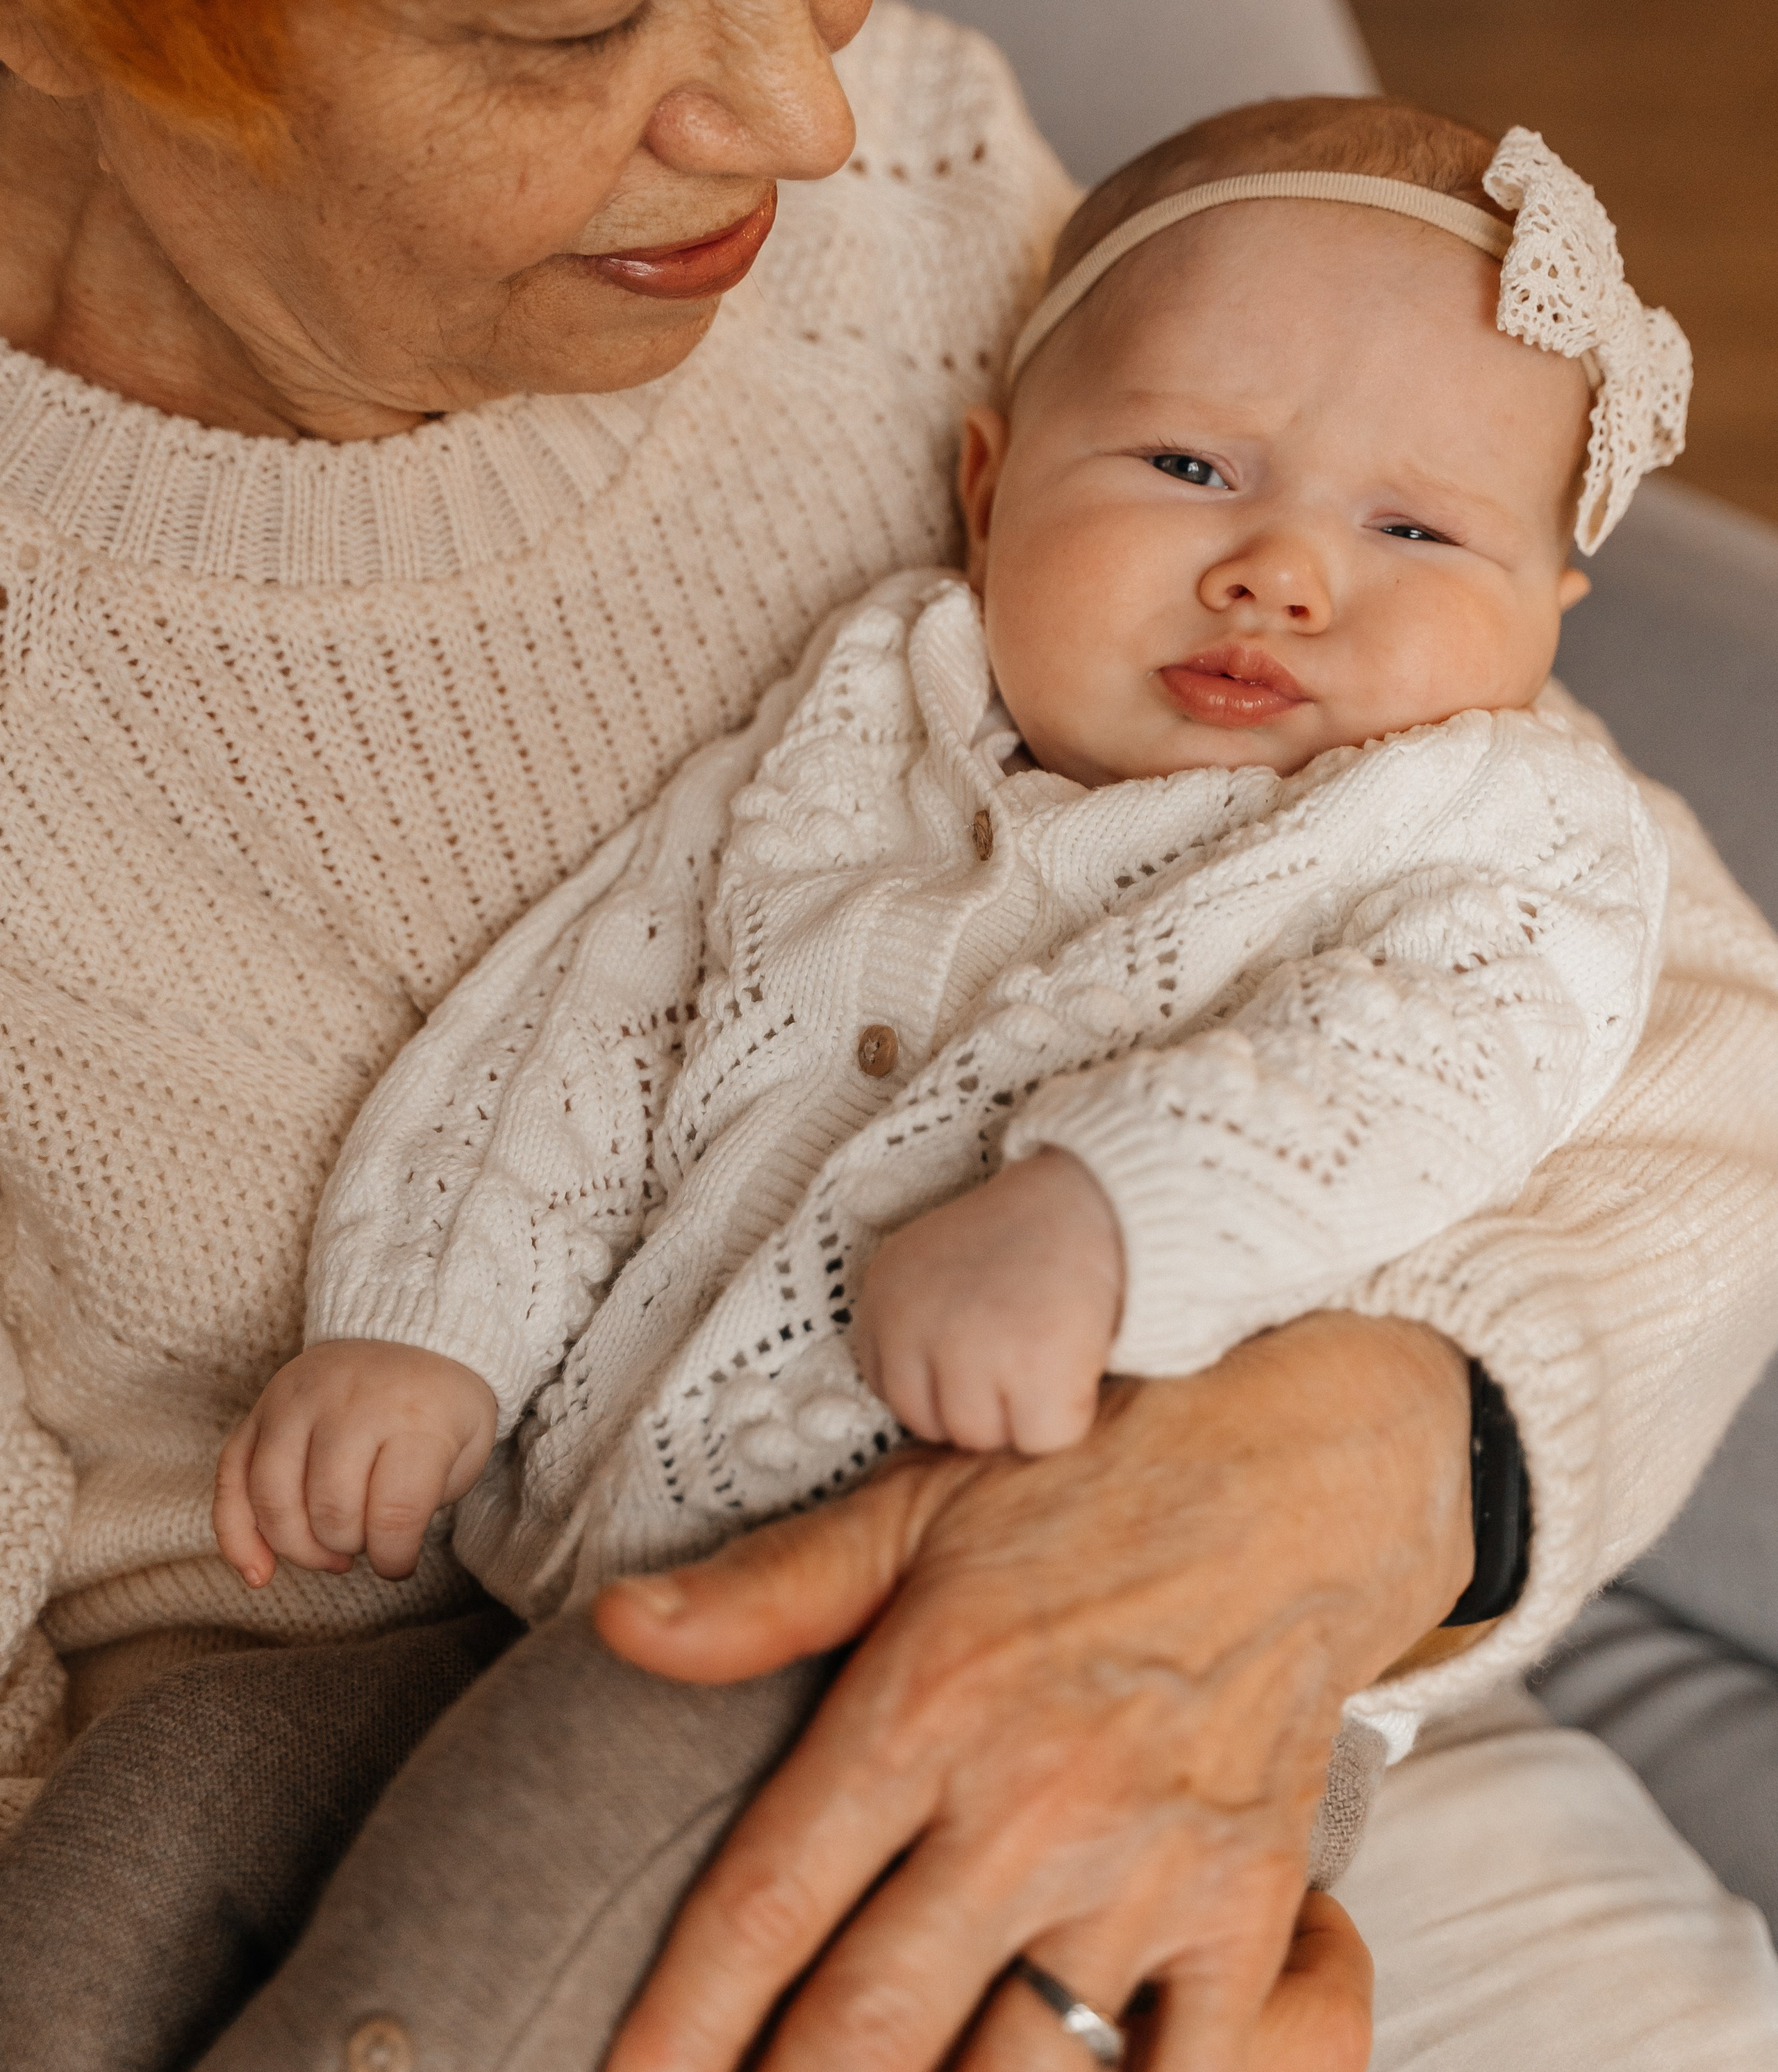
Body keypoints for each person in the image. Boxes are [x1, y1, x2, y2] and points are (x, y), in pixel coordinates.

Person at [2, 0, 1778, 2072]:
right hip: (357, 1850)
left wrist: (1365, 1465)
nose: (800, 112)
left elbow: (1629, 997)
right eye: (578, 14)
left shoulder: (927, 213)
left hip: (1221, 1667)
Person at [212, 97, 1670, 1621]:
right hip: (543, 1578)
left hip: (1025, 1622)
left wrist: (1107, 1213)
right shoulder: (863, 721)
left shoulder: (1489, 825)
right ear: (988, 489)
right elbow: (601, 1013)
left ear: (1543, 617)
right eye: (1185, 467)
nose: (1280, 575)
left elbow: (1433, 1067)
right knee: (170, 1786)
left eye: (1416, 534)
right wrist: (432, 1328)